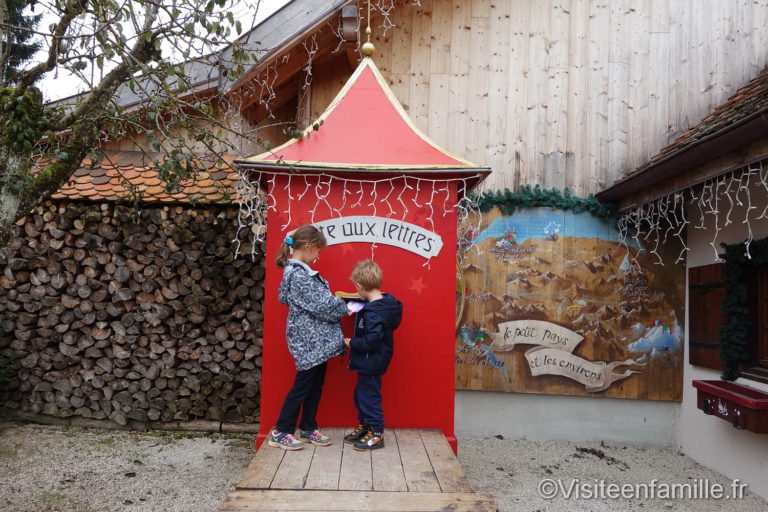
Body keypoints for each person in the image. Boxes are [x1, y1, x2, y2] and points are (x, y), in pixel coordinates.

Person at [269, 225, 349, 451]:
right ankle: (281, 431)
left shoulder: (300, 273)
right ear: (308, 246)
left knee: (315, 385)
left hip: (316, 340)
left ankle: (307, 426)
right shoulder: (298, 275)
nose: (319, 255)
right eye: (318, 251)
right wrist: (344, 305)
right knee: (303, 385)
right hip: (309, 340)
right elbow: (324, 306)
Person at [343, 260, 403, 451]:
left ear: (360, 286)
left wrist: (351, 343)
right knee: (361, 394)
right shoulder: (381, 304)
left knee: (369, 396)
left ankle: (377, 433)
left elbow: (372, 341)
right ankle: (365, 426)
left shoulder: (373, 313)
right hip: (369, 360)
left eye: (356, 287)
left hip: (371, 360)